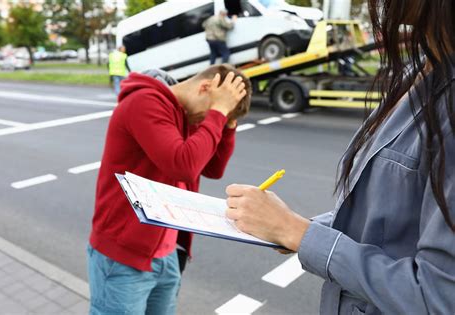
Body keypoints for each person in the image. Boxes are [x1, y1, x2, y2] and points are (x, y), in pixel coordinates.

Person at [225, 0, 455, 314]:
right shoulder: (423, 71)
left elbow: (438, 298)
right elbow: (392, 221)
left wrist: (296, 232)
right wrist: (299, 228)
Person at [88, 64, 252, 315]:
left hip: (166, 253)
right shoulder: (145, 102)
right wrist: (217, 111)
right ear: (205, 88)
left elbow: (212, 168)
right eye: (213, 110)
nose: (209, 121)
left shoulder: (185, 114)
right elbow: (183, 165)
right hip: (124, 256)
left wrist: (227, 122)